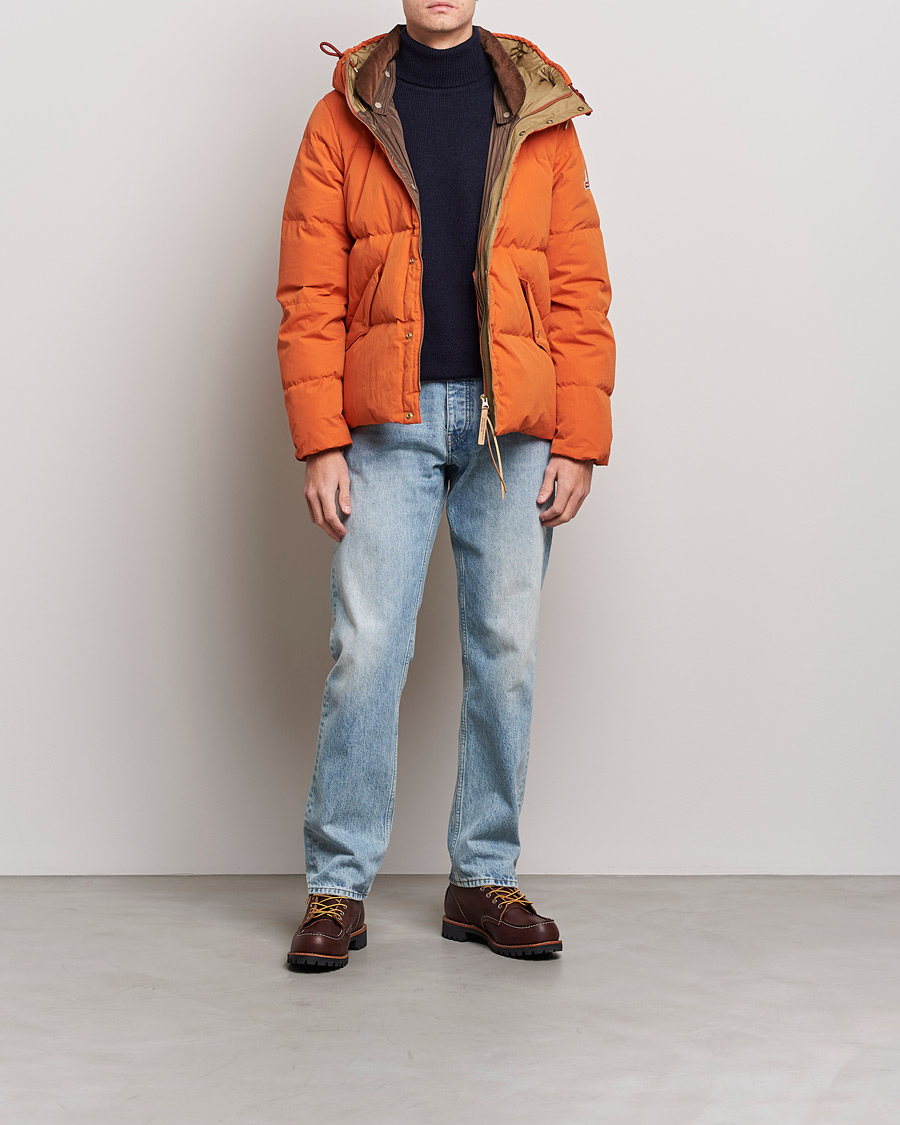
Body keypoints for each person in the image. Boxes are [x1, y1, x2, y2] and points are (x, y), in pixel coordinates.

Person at [276, 0, 615, 970]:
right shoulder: (344, 111)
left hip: (517, 426)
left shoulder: (539, 108)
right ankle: (339, 886)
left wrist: (580, 439)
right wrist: (321, 442)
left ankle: (483, 875)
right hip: (385, 423)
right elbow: (310, 291)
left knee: (506, 651)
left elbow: (578, 286)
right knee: (366, 648)